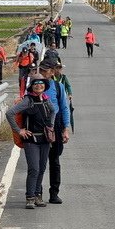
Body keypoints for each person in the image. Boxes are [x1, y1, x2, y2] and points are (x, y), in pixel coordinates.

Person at [6, 74, 56, 209]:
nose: (39, 85)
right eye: (36, 83)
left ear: (45, 86)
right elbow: (9, 113)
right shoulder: (28, 101)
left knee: (42, 168)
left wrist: (50, 125)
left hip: (45, 139)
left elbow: (53, 111)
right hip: (31, 139)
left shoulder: (46, 99)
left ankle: (38, 195)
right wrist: (19, 130)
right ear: (31, 86)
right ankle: (30, 197)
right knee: (34, 169)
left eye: (41, 83)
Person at [39, 62, 70, 204]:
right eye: (40, 70)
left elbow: (64, 108)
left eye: (45, 71)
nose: (42, 73)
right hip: (38, 126)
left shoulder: (58, 87)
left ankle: (54, 193)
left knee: (54, 161)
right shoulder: (35, 86)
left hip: (55, 126)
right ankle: (37, 193)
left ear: (52, 72)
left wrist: (65, 129)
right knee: (38, 163)